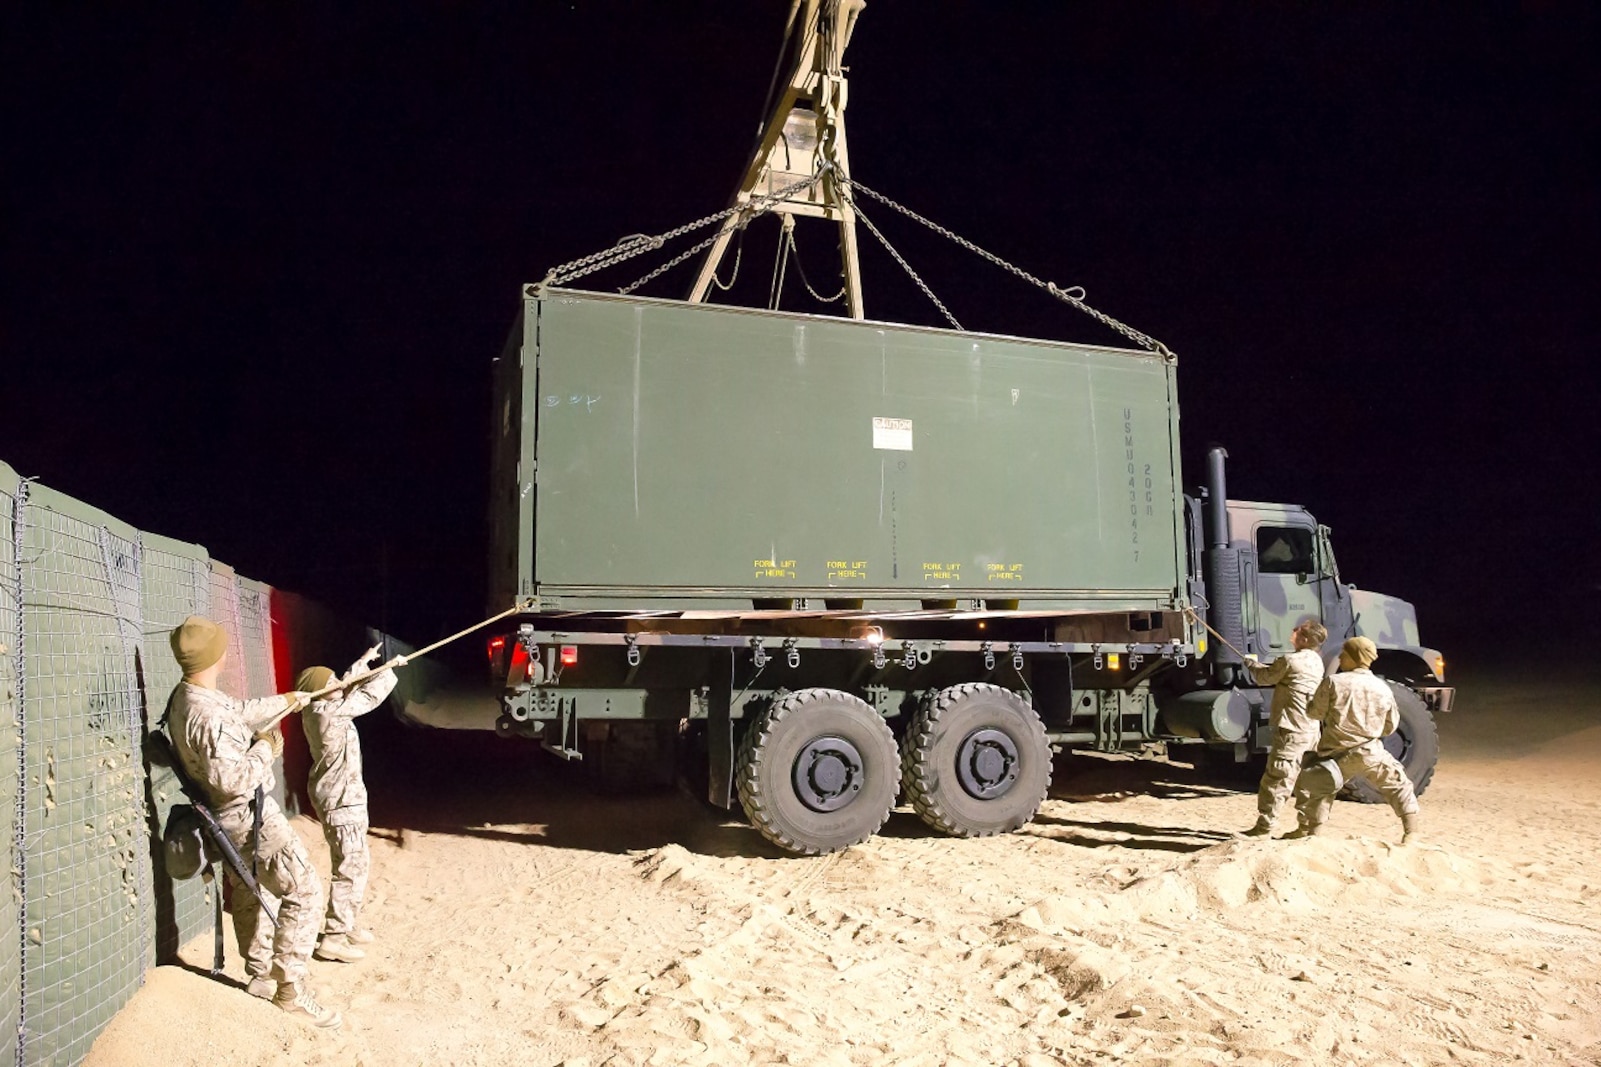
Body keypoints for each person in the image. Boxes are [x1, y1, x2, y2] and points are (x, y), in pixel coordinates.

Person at [163, 615, 342, 1030]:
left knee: (249, 891)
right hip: (249, 817)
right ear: (216, 656)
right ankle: (290, 990)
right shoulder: (207, 716)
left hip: (226, 820)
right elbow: (231, 780)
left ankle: (261, 975)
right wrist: (265, 749)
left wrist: (289, 700)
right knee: (304, 891)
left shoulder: (186, 696)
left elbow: (239, 712)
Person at [296, 643, 398, 964]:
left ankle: (347, 921)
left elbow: (345, 686)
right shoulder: (329, 714)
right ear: (317, 692)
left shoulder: (323, 708)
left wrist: (363, 662)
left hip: (341, 798)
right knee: (350, 866)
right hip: (341, 801)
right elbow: (367, 696)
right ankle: (335, 937)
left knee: (353, 861)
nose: (336, 683)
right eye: (329, 682)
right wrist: (388, 669)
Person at [1287, 636, 1421, 843]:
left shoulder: (1334, 682)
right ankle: (1411, 834)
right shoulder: (1382, 687)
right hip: (1370, 751)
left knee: (1319, 790)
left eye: (1344, 653)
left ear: (1354, 657)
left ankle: (1312, 834)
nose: (1340, 657)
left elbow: (1314, 713)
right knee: (1398, 785)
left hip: (1335, 754)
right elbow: (1390, 726)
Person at [1239, 620, 1328, 837]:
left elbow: (1265, 677)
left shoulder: (1290, 660)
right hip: (1310, 730)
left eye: (1298, 630)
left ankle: (1264, 828)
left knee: (1278, 778)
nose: (1293, 631)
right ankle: (1305, 827)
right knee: (1306, 781)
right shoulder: (1316, 661)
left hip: (1291, 730)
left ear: (1304, 639)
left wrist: (1251, 664)